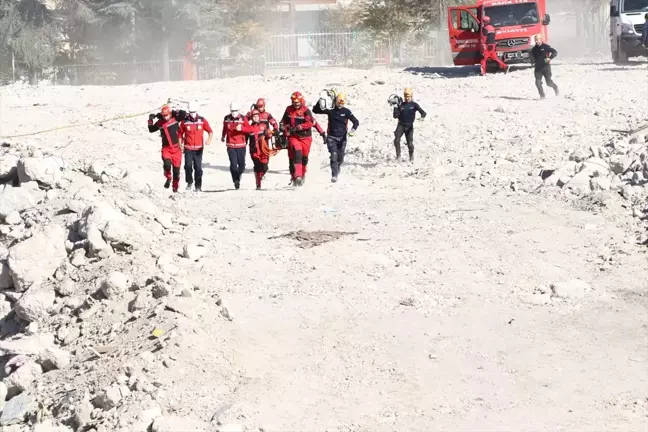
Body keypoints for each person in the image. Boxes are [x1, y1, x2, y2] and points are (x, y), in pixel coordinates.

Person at [280, 91, 326, 186]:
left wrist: (322, 133)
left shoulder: (306, 111)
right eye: (294, 102)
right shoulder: (288, 109)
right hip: (293, 136)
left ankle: (302, 175)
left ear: (301, 101)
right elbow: (283, 120)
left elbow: (311, 123)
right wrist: (282, 126)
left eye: (297, 102)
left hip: (305, 137)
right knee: (296, 153)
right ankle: (296, 176)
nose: (296, 104)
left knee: (304, 158)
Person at [313, 92, 359, 183]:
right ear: (335, 101)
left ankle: (337, 168)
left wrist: (353, 130)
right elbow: (316, 110)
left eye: (342, 103)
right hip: (331, 137)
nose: (340, 105)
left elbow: (356, 121)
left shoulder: (346, 111)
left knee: (340, 158)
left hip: (342, 138)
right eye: (339, 103)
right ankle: (334, 175)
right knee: (334, 155)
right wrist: (321, 99)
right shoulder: (330, 110)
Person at [148, 104, 186, 193]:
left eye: (167, 115)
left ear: (170, 113)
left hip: (177, 149)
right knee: (167, 164)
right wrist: (150, 119)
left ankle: (175, 186)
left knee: (176, 172)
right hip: (166, 148)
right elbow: (151, 129)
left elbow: (183, 113)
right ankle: (168, 176)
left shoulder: (175, 119)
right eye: (164, 115)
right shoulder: (160, 123)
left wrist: (174, 111)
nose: (165, 117)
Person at [179, 102, 213, 192]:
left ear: (196, 111)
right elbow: (179, 134)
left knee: (198, 167)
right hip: (188, 148)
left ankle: (198, 186)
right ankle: (189, 182)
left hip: (198, 148)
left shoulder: (202, 120)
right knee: (188, 166)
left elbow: (210, 131)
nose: (192, 113)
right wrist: (180, 144)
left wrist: (209, 139)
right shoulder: (184, 121)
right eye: (190, 112)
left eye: (194, 112)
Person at [239, 110, 275, 190]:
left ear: (259, 117)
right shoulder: (249, 128)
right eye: (254, 117)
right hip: (254, 150)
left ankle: (260, 176)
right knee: (257, 167)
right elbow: (245, 139)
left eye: (257, 116)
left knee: (265, 167)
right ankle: (258, 184)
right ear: (252, 118)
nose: (256, 118)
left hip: (264, 150)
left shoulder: (264, 126)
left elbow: (269, 136)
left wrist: (268, 134)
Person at [393, 88, 426, 162]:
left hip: (409, 126)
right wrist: (395, 107)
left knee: (410, 143)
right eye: (406, 96)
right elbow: (395, 116)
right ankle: (398, 156)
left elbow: (423, 113)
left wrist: (422, 117)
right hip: (400, 125)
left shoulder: (414, 105)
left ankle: (411, 157)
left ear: (411, 96)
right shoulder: (400, 105)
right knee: (396, 140)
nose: (407, 98)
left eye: (408, 96)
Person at [221, 101, 247, 189]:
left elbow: (250, 129)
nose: (234, 112)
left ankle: (238, 176)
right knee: (233, 165)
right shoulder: (226, 118)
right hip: (231, 145)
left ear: (238, 110)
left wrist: (242, 128)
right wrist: (223, 136)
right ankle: (236, 181)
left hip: (241, 145)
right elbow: (224, 128)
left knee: (242, 166)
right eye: (232, 110)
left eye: (235, 110)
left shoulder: (243, 118)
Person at [529, 34, 559, 99]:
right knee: (537, 83)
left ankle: (555, 87)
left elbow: (555, 52)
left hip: (546, 67)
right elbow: (532, 58)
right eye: (535, 40)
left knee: (548, 83)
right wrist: (532, 62)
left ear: (541, 39)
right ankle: (542, 96)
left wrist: (549, 58)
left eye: (538, 40)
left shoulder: (546, 47)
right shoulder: (533, 49)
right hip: (538, 68)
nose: (537, 41)